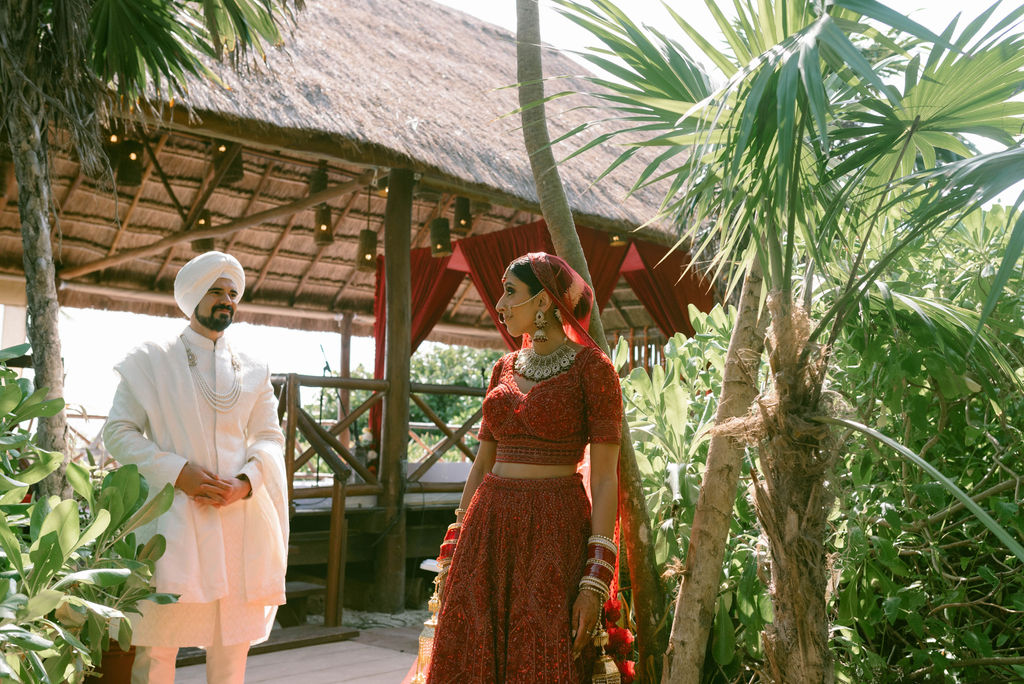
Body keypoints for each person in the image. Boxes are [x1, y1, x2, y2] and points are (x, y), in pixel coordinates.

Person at [426, 252, 623, 683]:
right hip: (487, 530)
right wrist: (455, 543)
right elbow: (481, 465)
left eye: (510, 292)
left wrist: (595, 578)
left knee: (542, 656)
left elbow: (606, 478)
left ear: (545, 301)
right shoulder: (503, 367)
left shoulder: (594, 370)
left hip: (554, 529)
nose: (498, 304)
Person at [103, 251, 289, 684]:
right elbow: (118, 432)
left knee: (231, 647)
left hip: (237, 520)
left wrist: (246, 482)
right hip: (171, 517)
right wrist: (177, 472)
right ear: (191, 297)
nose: (227, 300)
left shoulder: (255, 369)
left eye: (232, 293)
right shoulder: (149, 360)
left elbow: (268, 438)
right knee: (159, 644)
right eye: (216, 291)